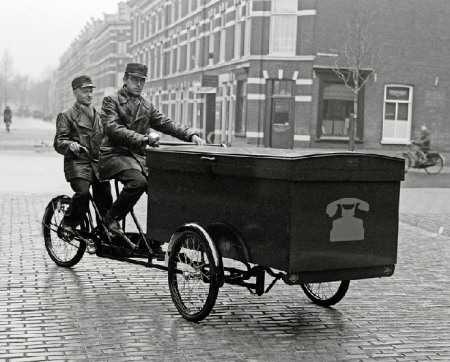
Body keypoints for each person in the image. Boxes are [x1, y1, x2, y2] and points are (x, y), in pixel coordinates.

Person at [99, 63, 205, 253]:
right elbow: (113, 129)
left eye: (142, 81)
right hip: (114, 154)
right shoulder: (111, 101)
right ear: (125, 79)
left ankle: (156, 237)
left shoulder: (146, 105)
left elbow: (166, 123)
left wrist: (191, 135)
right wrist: (143, 139)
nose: (138, 84)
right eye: (134, 80)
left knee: (161, 187)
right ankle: (111, 218)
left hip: (137, 157)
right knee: (137, 182)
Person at [54, 75, 113, 237]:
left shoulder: (98, 116)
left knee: (106, 198)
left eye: (91, 91)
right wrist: (69, 145)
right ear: (75, 93)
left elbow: (108, 137)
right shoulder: (66, 115)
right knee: (83, 193)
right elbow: (59, 142)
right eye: (85, 91)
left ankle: (105, 232)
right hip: (78, 163)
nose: (89, 95)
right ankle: (68, 224)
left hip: (97, 163)